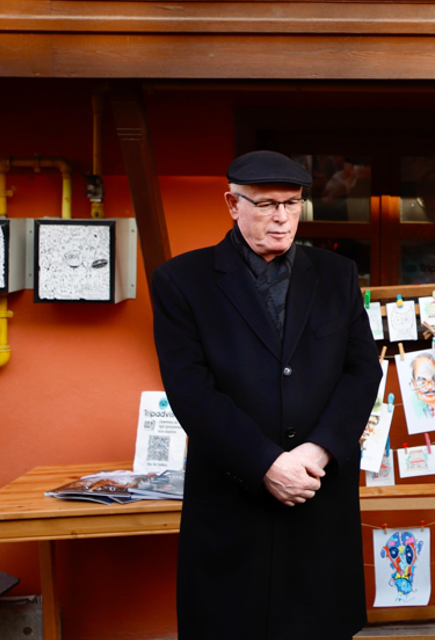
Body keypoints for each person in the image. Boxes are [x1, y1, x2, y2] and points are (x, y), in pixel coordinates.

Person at [151, 151, 382, 640]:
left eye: (292, 203)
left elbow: (362, 370)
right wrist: (266, 464)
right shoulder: (181, 280)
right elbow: (191, 392)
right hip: (233, 501)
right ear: (232, 204)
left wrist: (318, 450)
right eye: (266, 204)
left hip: (318, 492)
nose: (282, 217)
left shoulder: (337, 274)